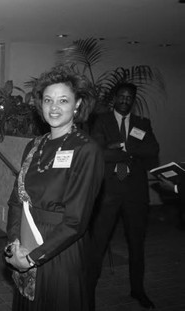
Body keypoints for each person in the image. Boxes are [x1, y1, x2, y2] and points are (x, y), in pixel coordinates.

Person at [5, 66, 104, 311]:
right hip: (26, 242)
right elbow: (16, 201)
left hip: (61, 250)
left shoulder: (86, 150)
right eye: (48, 100)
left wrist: (31, 258)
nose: (54, 107)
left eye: (63, 100)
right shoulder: (34, 146)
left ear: (77, 104)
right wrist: (15, 245)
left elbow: (75, 222)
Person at [90, 82, 159, 309]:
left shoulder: (143, 124)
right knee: (97, 245)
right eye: (121, 96)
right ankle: (87, 291)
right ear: (115, 98)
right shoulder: (102, 121)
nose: (125, 100)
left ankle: (138, 290)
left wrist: (121, 149)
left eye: (129, 97)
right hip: (107, 193)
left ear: (133, 100)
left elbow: (152, 150)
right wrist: (126, 153)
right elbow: (98, 152)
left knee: (137, 245)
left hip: (135, 194)